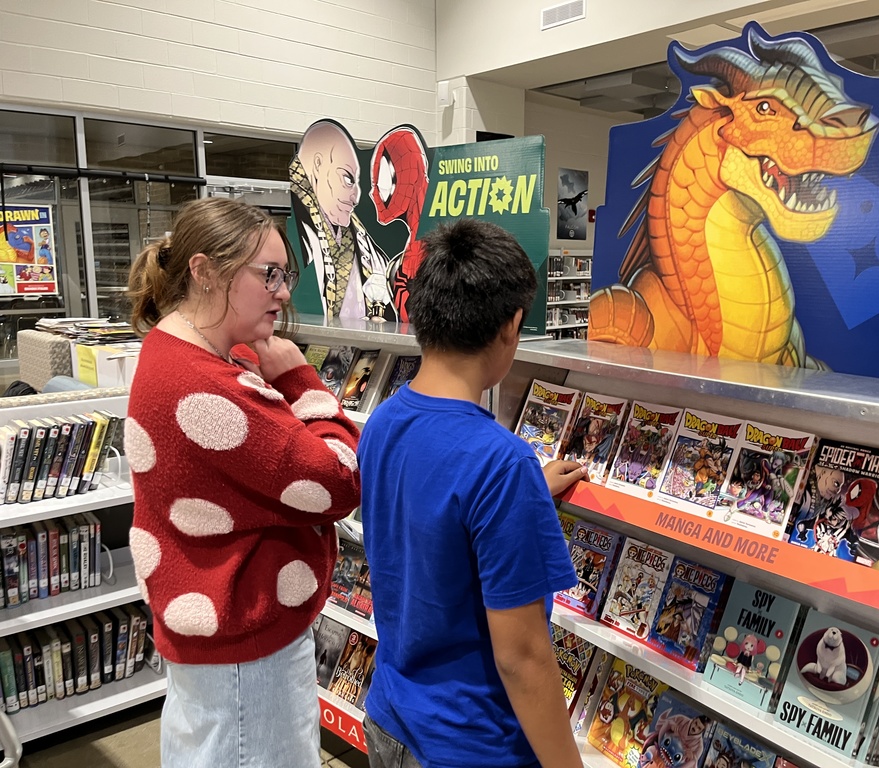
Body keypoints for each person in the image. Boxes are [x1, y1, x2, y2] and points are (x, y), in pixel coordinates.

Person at [124, 197, 361, 768]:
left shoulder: (173, 350)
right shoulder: (207, 383)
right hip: (245, 650)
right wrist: (299, 378)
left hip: (217, 636)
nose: (283, 293)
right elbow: (339, 481)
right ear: (204, 271)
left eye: (286, 275)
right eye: (269, 275)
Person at [357, 218, 588, 768]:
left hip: (390, 717)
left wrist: (526, 490)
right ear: (511, 326)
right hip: (471, 745)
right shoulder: (501, 463)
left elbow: (431, 516)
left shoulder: (382, 422)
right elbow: (522, 656)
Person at [289, 119, 392, 321]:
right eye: (347, 179)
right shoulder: (291, 237)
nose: (356, 196)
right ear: (318, 165)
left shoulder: (359, 237)